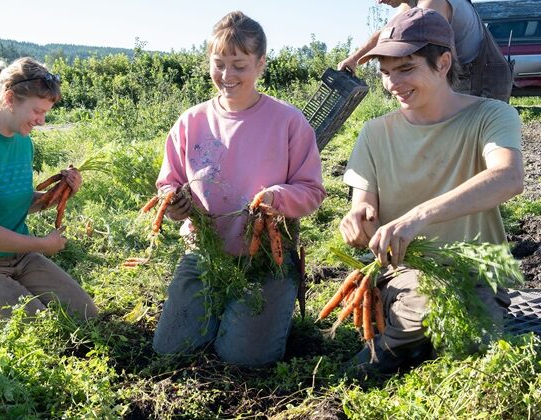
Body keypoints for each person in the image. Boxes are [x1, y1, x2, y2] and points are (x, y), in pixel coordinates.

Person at [339, 8, 523, 375]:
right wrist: (356, 219)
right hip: (405, 271)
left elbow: (508, 177)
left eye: (406, 69)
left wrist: (417, 216)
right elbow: (364, 206)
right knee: (426, 308)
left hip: (478, 270)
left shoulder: (491, 115)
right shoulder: (375, 132)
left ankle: (403, 349)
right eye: (386, 73)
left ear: (443, 62)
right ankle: (384, 354)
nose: (393, 84)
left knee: (474, 345)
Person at [151, 11, 326, 367]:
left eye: (239, 65)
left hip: (265, 258)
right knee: (172, 349)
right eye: (219, 64)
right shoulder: (192, 121)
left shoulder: (288, 122)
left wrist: (277, 198)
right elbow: (168, 181)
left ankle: (262, 316)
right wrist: (173, 203)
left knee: (245, 359)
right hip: (204, 252)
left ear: (261, 64)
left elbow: (312, 191)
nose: (227, 76)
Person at [0, 57, 98, 325]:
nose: (41, 120)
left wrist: (58, 194)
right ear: (10, 98)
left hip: (20, 257)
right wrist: (42, 244)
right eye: (37, 111)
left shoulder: (22, 140)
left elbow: (18, 202)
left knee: (85, 315)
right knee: (38, 330)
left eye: (45, 113)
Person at [338, 0, 513, 102]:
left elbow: (438, 65)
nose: (378, 1)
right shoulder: (412, 5)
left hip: (482, 77)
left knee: (471, 146)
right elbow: (386, 32)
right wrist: (354, 59)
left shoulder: (432, 5)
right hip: (460, 72)